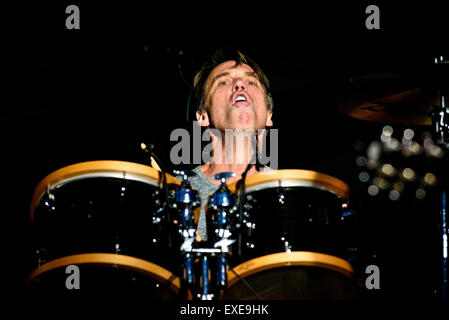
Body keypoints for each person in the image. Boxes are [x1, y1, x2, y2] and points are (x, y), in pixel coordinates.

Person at [180, 48, 275, 240]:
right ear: (202, 116)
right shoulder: (182, 194)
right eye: (224, 81)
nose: (240, 84)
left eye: (251, 82)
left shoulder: (285, 193)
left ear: (269, 114)